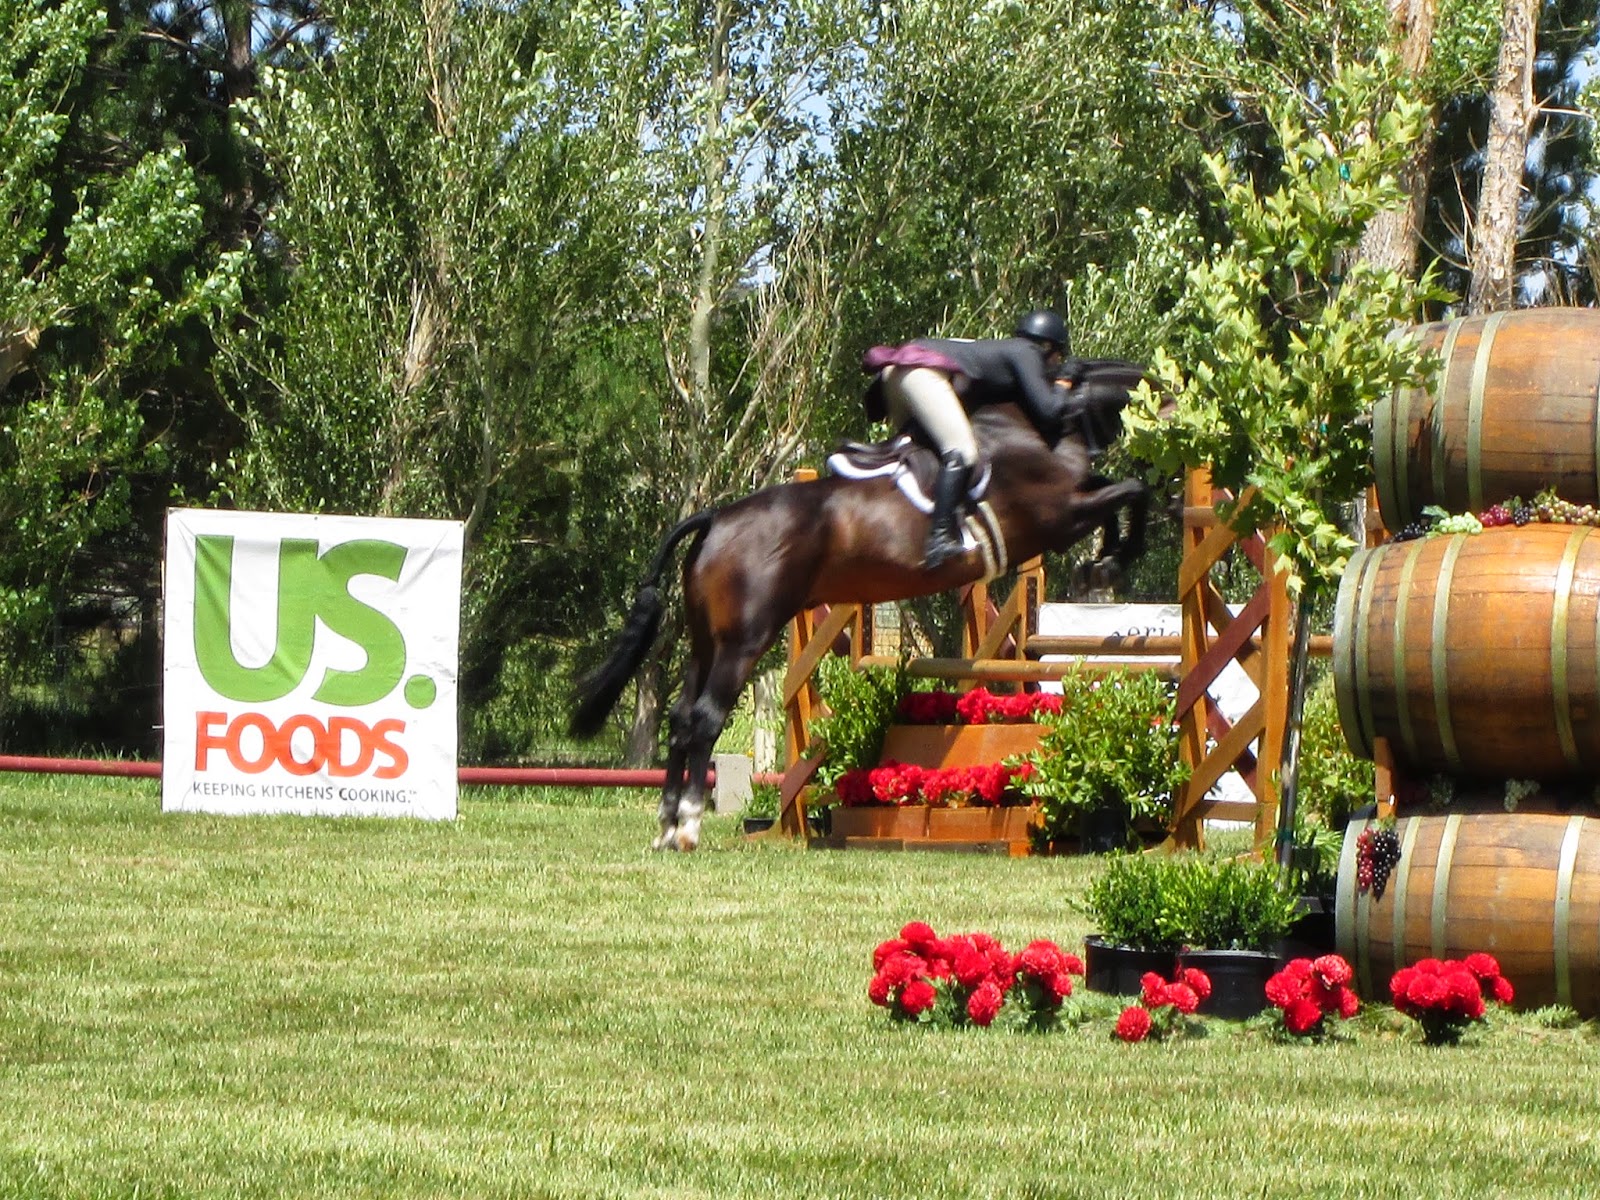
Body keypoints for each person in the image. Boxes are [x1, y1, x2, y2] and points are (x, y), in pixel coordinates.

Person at [862, 309, 1083, 569]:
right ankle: (939, 538)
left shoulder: (1003, 350)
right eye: (1058, 355)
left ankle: (917, 521)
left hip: (895, 375)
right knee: (962, 452)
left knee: (928, 456)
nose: (1056, 362)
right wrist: (1064, 381)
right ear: (1047, 346)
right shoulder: (1027, 352)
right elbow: (1049, 411)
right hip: (920, 373)